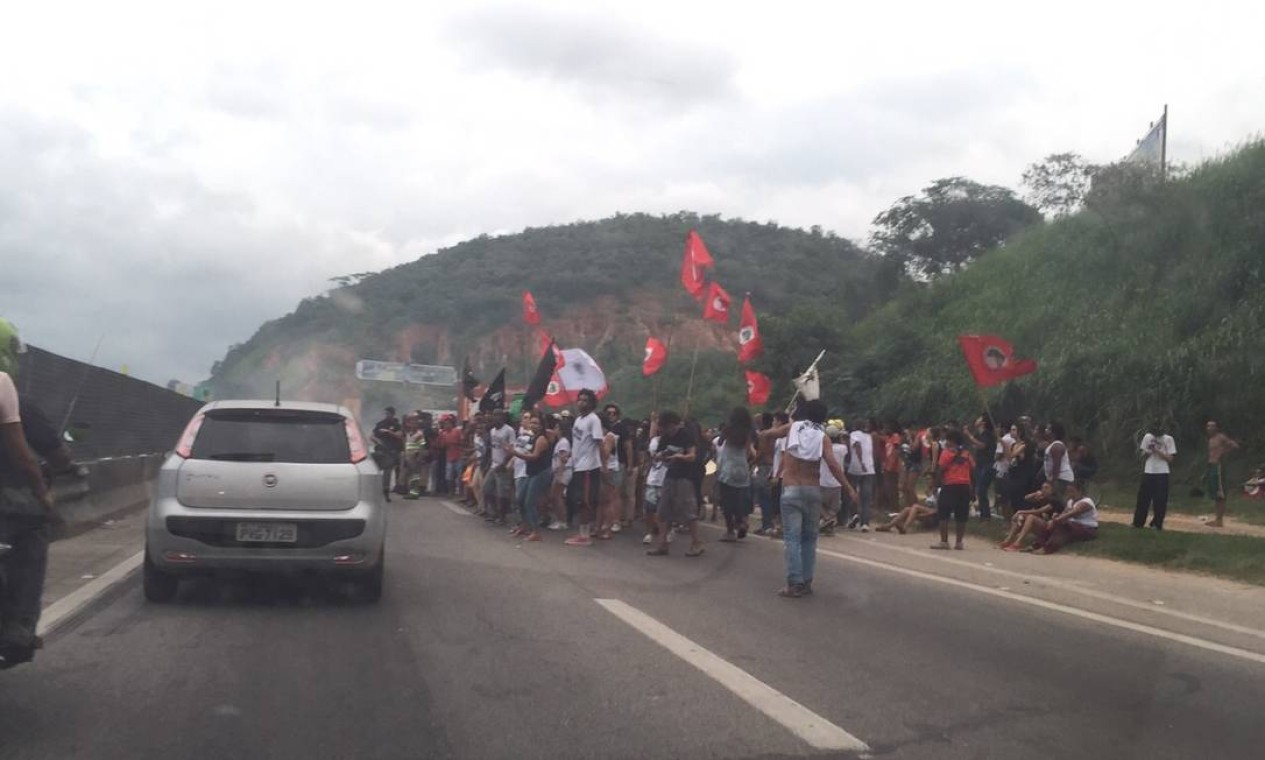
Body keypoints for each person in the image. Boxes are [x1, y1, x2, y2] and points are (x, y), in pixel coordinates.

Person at [1, 319, 64, 667]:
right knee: (34, 534)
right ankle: (19, 628)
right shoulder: (5, 387)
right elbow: (25, 456)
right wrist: (44, 496)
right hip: (10, 501)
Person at [770, 399, 856, 598]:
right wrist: (849, 489)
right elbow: (834, 465)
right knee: (809, 539)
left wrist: (766, 439)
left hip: (791, 490)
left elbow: (769, 434)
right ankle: (806, 582)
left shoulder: (793, 429)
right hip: (812, 491)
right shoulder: (823, 437)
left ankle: (794, 583)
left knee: (792, 539)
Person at [645, 411, 705, 558]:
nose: (666, 431)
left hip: (685, 477)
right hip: (670, 475)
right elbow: (660, 455)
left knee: (688, 511)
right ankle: (662, 544)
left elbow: (692, 456)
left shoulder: (685, 435)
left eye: (667, 427)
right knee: (662, 510)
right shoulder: (665, 438)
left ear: (673, 425)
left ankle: (696, 542)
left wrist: (680, 456)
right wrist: (660, 457)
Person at [565, 390, 606, 547]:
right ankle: (582, 532)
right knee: (578, 500)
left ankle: (585, 535)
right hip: (578, 466)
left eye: (585, 400)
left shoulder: (593, 420)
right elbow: (577, 443)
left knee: (586, 501)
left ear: (591, 403)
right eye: (579, 400)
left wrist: (604, 466)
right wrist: (569, 455)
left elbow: (599, 443)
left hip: (589, 467)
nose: (581, 403)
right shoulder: (578, 420)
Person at [508, 414, 553, 542]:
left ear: (542, 425)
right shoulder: (532, 438)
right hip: (531, 472)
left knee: (529, 502)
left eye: (536, 423)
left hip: (540, 472)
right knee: (520, 499)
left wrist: (516, 454)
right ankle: (525, 525)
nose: (533, 425)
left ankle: (535, 531)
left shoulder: (541, 439)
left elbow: (534, 456)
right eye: (532, 423)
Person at [715, 407, 756, 542]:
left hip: (728, 468)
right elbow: (749, 451)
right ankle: (742, 522)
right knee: (740, 499)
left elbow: (720, 442)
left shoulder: (728, 430)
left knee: (727, 501)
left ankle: (730, 531)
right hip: (742, 467)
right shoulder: (747, 433)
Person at [930, 429, 974, 550]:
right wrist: (972, 488)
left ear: (951, 441)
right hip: (965, 485)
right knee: (961, 515)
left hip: (950, 485)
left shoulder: (946, 453)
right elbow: (972, 470)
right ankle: (959, 542)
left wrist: (935, 485)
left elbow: (941, 470)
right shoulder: (966, 453)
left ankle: (944, 541)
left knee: (943, 513)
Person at [1031, 480, 1098, 554]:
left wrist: (1057, 520)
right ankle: (1037, 545)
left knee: (1061, 526)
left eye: (1072, 491)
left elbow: (1073, 513)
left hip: (1087, 528)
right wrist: (1056, 517)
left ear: (1080, 491)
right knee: (1052, 525)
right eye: (1068, 492)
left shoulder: (1086, 502)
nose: (1070, 494)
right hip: (1074, 525)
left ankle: (1048, 549)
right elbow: (1064, 513)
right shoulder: (1070, 501)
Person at [1133, 423, 1176, 530]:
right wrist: (1148, 451)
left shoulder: (1168, 439)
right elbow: (1142, 455)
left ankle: (1157, 523)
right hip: (1148, 471)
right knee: (1143, 498)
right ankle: (1138, 522)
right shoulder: (1147, 437)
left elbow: (1170, 459)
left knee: (1160, 500)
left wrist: (1157, 451)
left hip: (1162, 472)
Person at [603, 403, 637, 530]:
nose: (611, 415)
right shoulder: (603, 428)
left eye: (614, 413)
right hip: (605, 464)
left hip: (619, 463)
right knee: (606, 495)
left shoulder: (621, 428)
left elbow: (628, 447)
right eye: (609, 413)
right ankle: (608, 519)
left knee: (616, 493)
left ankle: (616, 520)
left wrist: (630, 464)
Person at [1204, 420, 1240, 527]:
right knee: (1215, 494)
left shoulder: (1221, 437)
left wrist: (1224, 452)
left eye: (1212, 426)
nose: (1210, 428)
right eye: (1208, 426)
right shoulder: (1210, 439)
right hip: (1212, 466)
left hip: (1219, 466)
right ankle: (1217, 519)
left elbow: (1234, 445)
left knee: (1220, 494)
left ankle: (1219, 520)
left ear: (1216, 428)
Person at [999, 483, 1056, 551]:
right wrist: (1034, 494)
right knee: (1021, 516)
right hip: (1040, 524)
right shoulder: (1041, 498)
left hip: (1050, 529)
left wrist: (1020, 511)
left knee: (1030, 517)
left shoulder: (1054, 500)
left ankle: (1017, 543)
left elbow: (1039, 511)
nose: (1043, 490)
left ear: (1052, 490)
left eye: (1046, 488)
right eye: (1042, 488)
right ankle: (1007, 540)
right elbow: (1026, 498)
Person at [483, 410, 516, 524]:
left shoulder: (509, 430)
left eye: (498, 415)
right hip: (493, 464)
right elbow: (492, 448)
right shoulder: (492, 431)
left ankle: (502, 517)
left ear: (502, 417)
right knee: (487, 489)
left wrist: (504, 464)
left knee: (502, 493)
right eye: (494, 415)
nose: (495, 418)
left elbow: (512, 450)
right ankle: (494, 512)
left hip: (503, 466)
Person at [964, 415, 997, 520]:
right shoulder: (979, 434)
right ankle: (983, 514)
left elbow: (982, 445)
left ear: (983, 423)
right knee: (979, 490)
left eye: (979, 419)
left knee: (982, 490)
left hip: (987, 464)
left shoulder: (987, 434)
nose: (976, 420)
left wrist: (969, 435)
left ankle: (986, 515)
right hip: (980, 464)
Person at [846, 418, 876, 531]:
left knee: (852, 493)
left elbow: (857, 446)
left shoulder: (854, 434)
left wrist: (861, 461)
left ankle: (854, 515)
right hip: (869, 468)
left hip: (856, 467)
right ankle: (865, 523)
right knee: (866, 497)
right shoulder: (868, 436)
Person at [818, 421, 847, 537]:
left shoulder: (822, 448)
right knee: (833, 507)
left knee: (817, 503)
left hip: (822, 480)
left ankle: (826, 518)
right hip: (837, 482)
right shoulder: (843, 448)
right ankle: (828, 525)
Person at [371, 406, 403, 501]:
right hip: (380, 450)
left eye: (388, 413)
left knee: (388, 472)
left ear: (393, 414)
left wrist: (389, 432)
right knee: (374, 470)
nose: (386, 415)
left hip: (391, 451)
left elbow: (399, 436)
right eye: (386, 413)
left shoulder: (397, 425)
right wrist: (377, 441)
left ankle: (385, 491)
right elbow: (372, 436)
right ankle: (375, 491)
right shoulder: (380, 424)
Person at [1042, 421, 1076, 504]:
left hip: (1061, 479)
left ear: (1054, 433)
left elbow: (1056, 466)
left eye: (1048, 429)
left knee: (1059, 502)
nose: (1046, 430)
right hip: (1057, 478)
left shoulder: (1057, 446)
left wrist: (1052, 482)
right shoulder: (1051, 445)